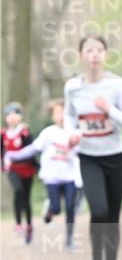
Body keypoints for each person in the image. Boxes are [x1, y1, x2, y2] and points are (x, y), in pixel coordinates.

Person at [64, 35, 122, 260]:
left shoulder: (116, 85)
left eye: (99, 50)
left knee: (113, 218)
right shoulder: (72, 87)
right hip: (89, 157)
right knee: (99, 210)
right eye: (89, 50)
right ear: (81, 55)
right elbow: (69, 116)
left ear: (106, 55)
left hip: (116, 157)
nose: (94, 55)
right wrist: (70, 134)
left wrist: (110, 111)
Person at [4, 99, 79, 249]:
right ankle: (51, 208)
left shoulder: (76, 133)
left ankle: (69, 240)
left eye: (64, 113)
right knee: (57, 208)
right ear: (53, 116)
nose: (61, 116)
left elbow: (84, 153)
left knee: (71, 206)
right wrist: (12, 155)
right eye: (58, 113)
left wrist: (75, 145)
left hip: (70, 176)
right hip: (52, 177)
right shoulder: (48, 133)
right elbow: (32, 149)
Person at [1, 102, 37, 243]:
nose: (12, 117)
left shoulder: (24, 132)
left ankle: (29, 225)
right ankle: (18, 223)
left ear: (20, 116)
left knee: (26, 197)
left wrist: (37, 166)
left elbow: (31, 150)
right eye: (9, 115)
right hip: (12, 168)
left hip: (27, 169)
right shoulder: (3, 134)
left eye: (15, 114)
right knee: (18, 191)